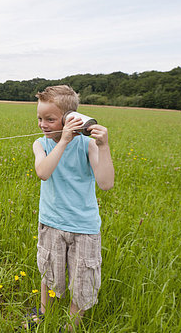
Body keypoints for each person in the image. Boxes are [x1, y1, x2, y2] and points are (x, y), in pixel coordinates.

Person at [32, 85, 114, 331]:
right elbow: (43, 172)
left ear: (69, 119)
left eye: (49, 119)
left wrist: (103, 146)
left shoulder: (87, 146)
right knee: (48, 272)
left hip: (84, 227)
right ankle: (42, 315)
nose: (42, 124)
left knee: (82, 281)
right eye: (39, 118)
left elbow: (106, 184)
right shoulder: (40, 144)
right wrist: (63, 140)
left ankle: (70, 326)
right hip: (51, 222)